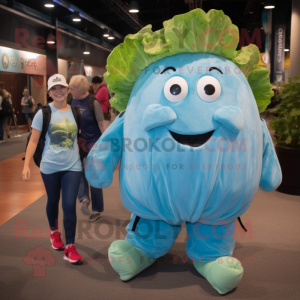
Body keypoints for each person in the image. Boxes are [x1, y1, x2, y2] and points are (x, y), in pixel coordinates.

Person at [22, 74, 83, 264]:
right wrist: (26, 165)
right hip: (50, 167)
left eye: (62, 88)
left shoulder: (76, 112)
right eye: (54, 89)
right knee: (53, 200)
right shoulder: (43, 113)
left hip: (73, 166)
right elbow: (33, 140)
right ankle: (54, 232)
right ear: (49, 92)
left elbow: (78, 139)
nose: (59, 91)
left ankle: (70, 247)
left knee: (69, 206)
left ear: (67, 89)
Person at [69, 75, 107, 222]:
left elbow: (102, 125)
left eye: (72, 88)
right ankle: (84, 198)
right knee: (77, 171)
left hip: (94, 143)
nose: (70, 91)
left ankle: (97, 209)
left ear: (80, 89)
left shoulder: (93, 102)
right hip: (78, 143)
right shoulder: (71, 101)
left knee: (93, 175)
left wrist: (107, 144)